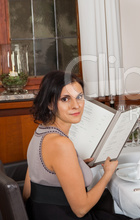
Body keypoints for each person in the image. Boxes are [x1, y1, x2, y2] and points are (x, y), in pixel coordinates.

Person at [22, 71, 129, 219]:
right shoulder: (61, 144)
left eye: (79, 97)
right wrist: (107, 174)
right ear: (49, 104)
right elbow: (81, 209)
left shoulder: (40, 132)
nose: (76, 105)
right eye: (65, 99)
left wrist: (74, 165)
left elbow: (27, 192)